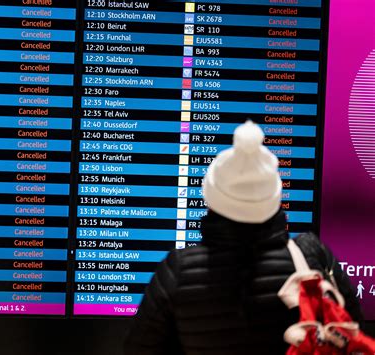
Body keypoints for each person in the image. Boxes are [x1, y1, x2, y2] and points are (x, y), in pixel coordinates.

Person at [124, 121, 363, 355]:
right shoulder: (312, 257)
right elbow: (352, 334)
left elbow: (139, 348)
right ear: (275, 198)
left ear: (212, 198)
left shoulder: (179, 271)